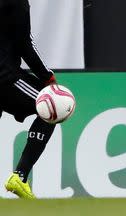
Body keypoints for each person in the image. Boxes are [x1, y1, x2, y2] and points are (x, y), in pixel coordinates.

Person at [0, 0, 57, 198]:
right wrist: (47, 77)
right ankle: (20, 176)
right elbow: (25, 44)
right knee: (52, 106)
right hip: (5, 78)